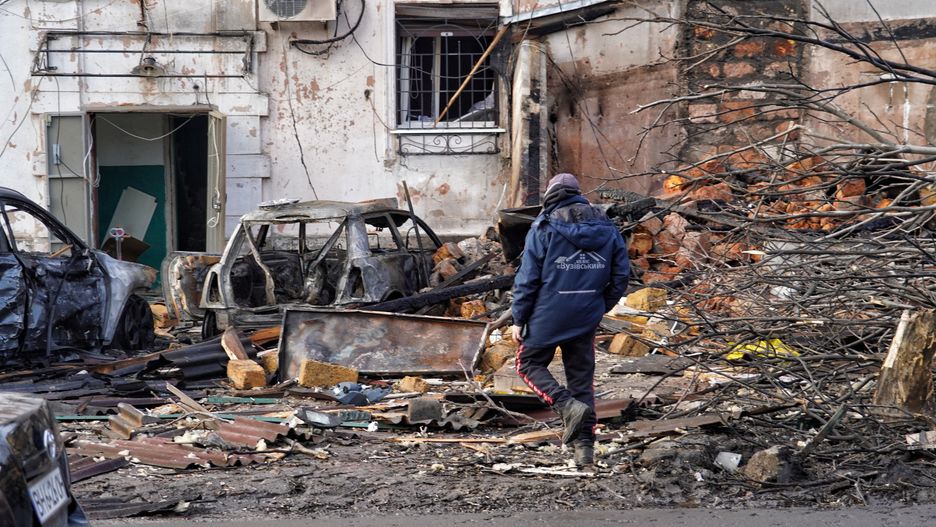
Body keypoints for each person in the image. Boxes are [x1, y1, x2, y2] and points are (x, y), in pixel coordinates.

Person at [510, 173, 630, 466]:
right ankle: (584, 450)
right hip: (586, 313)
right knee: (581, 381)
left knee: (528, 364)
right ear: (578, 194)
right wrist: (600, 306)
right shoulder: (607, 227)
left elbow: (527, 279)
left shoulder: (544, 226)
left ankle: (566, 406)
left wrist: (518, 318)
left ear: (550, 194)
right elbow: (621, 276)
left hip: (547, 312)